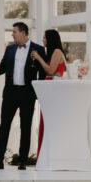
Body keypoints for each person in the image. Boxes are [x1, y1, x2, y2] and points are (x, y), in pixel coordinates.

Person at [0, 21, 45, 171]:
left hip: (27, 94)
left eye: (14, 32)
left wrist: (37, 93)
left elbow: (42, 74)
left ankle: (22, 161)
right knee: (4, 126)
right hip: (10, 93)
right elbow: (3, 66)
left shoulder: (38, 50)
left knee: (25, 127)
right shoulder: (10, 48)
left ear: (23, 33)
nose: (12, 34)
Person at [32, 28, 68, 158]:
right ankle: (46, 156)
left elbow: (51, 71)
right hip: (49, 89)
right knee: (46, 120)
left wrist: (39, 58)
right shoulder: (53, 52)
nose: (43, 40)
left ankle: (50, 156)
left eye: (44, 37)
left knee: (49, 121)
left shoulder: (57, 52)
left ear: (50, 39)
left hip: (53, 89)